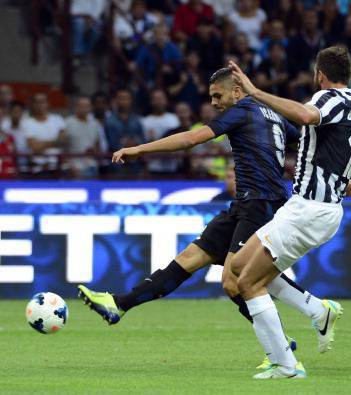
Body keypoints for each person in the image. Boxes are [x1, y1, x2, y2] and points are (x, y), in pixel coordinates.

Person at [77, 67, 337, 371]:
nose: (213, 102)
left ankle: (290, 339)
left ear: (237, 91)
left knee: (234, 281)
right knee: (191, 257)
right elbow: (307, 140)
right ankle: (119, 304)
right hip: (245, 204)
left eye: (218, 95)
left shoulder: (241, 111)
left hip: (261, 205)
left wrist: (139, 149)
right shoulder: (274, 114)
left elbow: (192, 139)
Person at [228, 45, 351, 379]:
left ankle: (285, 365)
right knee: (238, 267)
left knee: (247, 283)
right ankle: (318, 310)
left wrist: (255, 91)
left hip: (308, 209)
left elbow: (303, 116)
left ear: (321, 75)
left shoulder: (328, 99)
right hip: (320, 210)